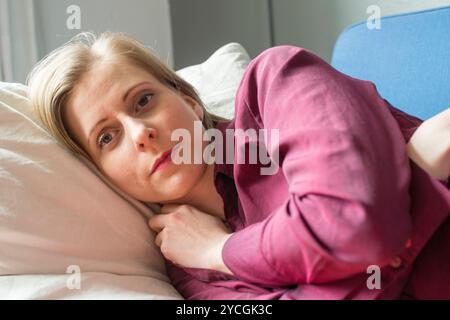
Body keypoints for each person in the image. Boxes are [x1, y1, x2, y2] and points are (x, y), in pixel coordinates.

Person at [27, 32, 450, 299]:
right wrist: (416, 168)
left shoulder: (276, 81)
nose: (139, 133)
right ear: (102, 174)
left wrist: (223, 251)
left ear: (188, 99)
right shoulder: (192, 278)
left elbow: (352, 224)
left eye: (143, 101)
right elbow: (360, 228)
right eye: (107, 137)